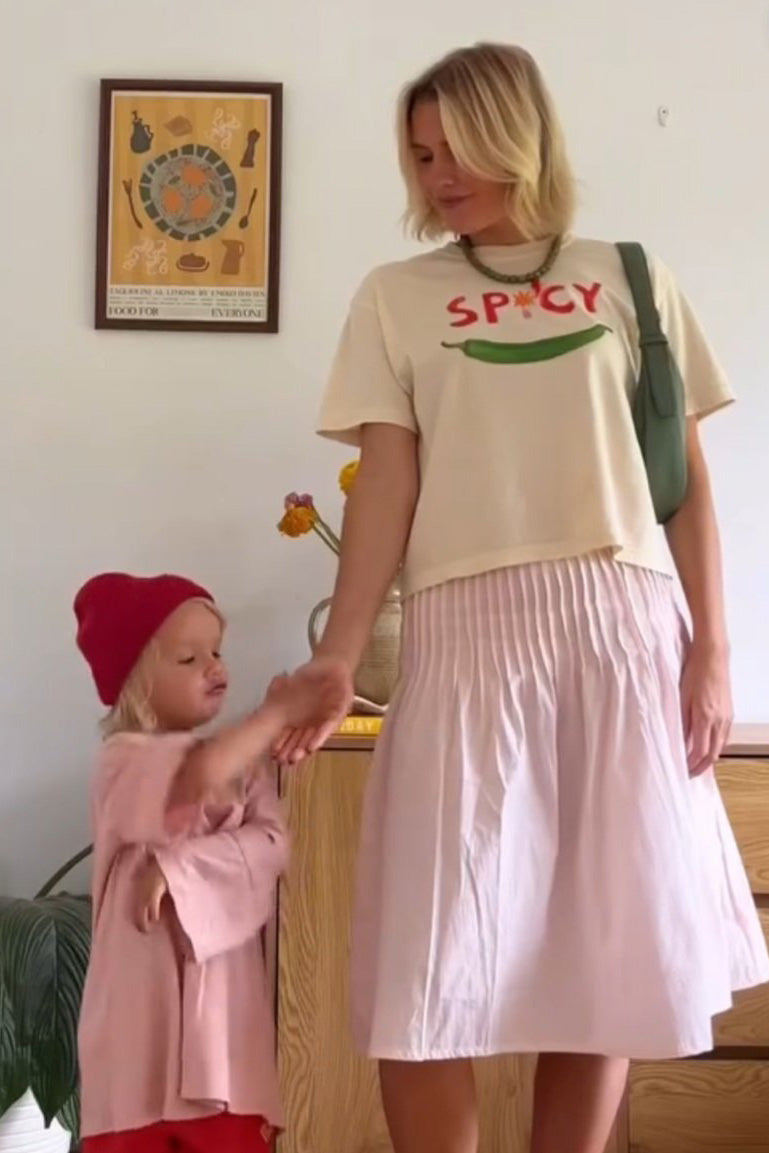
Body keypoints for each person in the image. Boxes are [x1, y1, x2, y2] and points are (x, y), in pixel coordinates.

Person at [276, 42, 769, 1153]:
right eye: (419, 154)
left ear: (522, 135)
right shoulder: (396, 299)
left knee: (604, 954)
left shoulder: (627, 276)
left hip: (618, 623)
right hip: (463, 634)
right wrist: (340, 657)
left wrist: (713, 652)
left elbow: (682, 487)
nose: (438, 175)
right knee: (428, 965)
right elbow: (389, 485)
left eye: (458, 147)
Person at [73, 571, 344, 1153]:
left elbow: (272, 847)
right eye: (190, 657)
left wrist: (179, 870)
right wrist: (272, 715)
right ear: (136, 685)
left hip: (223, 1043)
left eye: (217, 652)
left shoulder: (243, 767)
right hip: (137, 1046)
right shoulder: (120, 763)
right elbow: (194, 783)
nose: (215, 668)